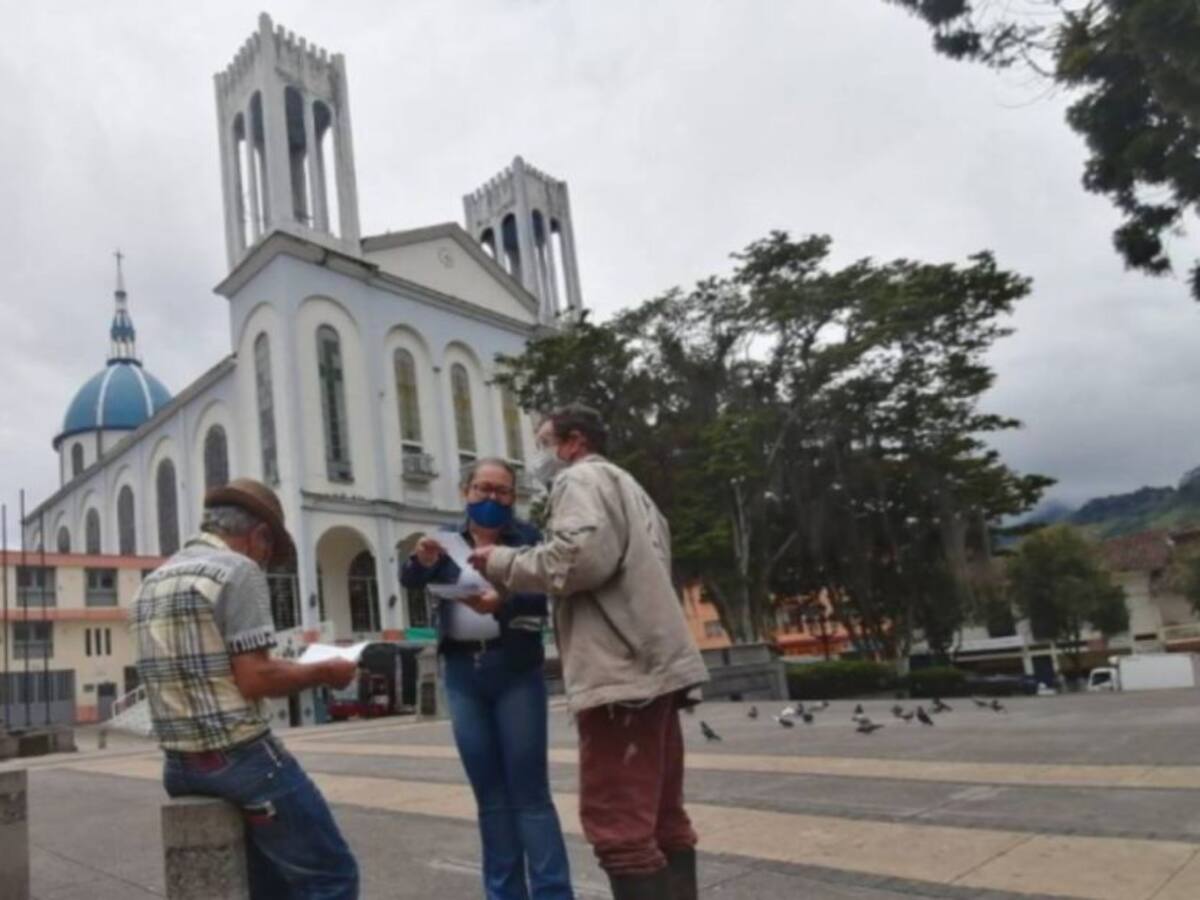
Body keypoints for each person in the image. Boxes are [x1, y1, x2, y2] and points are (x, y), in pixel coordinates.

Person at [469, 405, 709, 900]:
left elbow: (578, 559)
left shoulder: (580, 482)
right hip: (653, 667)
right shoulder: (631, 488)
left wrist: (500, 561)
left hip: (619, 673)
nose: (538, 458)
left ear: (573, 442)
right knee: (663, 818)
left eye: (543, 443)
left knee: (619, 826)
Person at [132, 477, 360, 899]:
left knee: (266, 883)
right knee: (331, 875)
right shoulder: (239, 570)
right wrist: (325, 671)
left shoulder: (154, 579)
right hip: (242, 761)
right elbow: (255, 677)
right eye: (269, 550)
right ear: (259, 536)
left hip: (179, 766)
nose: (267, 561)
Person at [401, 458, 573, 900]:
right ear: (466, 492)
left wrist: (502, 604)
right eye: (483, 489)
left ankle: (553, 893)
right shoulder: (446, 539)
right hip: (462, 673)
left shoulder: (528, 539)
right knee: (490, 796)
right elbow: (410, 579)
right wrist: (421, 561)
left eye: (501, 491)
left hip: (515, 669)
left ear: (513, 498)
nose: (491, 498)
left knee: (529, 792)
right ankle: (504, 893)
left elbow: (538, 603)